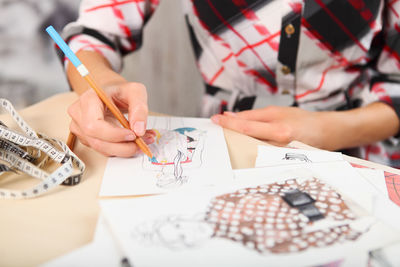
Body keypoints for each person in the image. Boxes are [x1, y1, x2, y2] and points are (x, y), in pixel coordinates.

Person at [60, 0, 400, 167]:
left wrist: (327, 130)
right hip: (222, 155)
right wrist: (99, 83)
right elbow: (92, 36)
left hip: (363, 152)